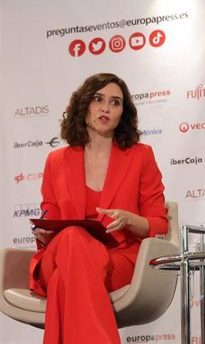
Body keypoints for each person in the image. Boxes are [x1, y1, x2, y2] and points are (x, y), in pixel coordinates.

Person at [29, 73, 168, 344]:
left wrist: (130, 219)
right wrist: (43, 233)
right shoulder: (56, 161)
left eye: (115, 102)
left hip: (117, 259)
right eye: (98, 99)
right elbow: (50, 219)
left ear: (122, 114)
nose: (105, 107)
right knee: (70, 238)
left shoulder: (141, 156)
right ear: (84, 106)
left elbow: (160, 225)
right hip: (61, 253)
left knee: (62, 281)